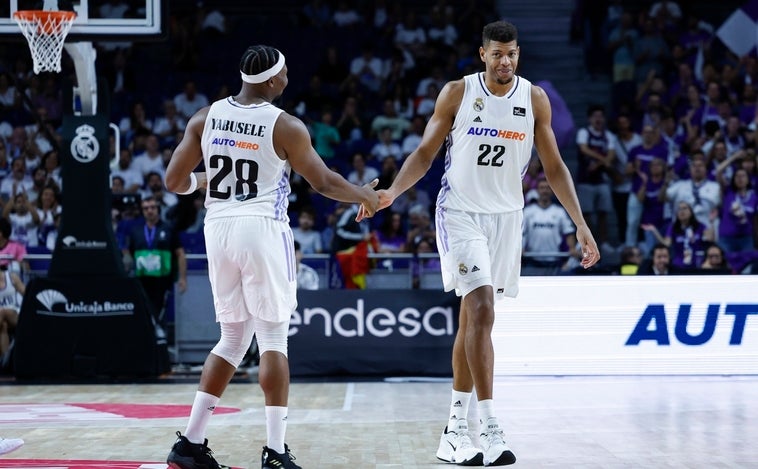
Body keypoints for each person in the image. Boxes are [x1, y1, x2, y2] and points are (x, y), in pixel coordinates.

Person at [357, 21, 600, 466]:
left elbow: (555, 167)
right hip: (460, 213)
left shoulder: (534, 99)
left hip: (507, 217)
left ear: (518, 55)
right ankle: (488, 427)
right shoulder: (458, 92)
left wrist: (580, 223)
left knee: (475, 319)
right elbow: (426, 152)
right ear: (482, 54)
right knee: (482, 306)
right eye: (497, 54)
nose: (505, 61)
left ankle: (453, 431)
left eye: (512, 54)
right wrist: (391, 192)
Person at [163, 44, 379, 469]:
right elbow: (322, 182)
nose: (287, 80)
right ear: (272, 80)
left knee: (232, 339)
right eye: (285, 74)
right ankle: (276, 452)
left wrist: (211, 180)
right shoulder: (285, 125)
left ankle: (189, 443)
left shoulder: (205, 117)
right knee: (274, 340)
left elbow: (175, 181)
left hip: (218, 228)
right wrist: (364, 194)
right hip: (261, 228)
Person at [122, 195, 187, 329]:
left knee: (159, 315)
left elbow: (180, 254)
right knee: (143, 314)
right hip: (141, 281)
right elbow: (128, 252)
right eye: (146, 208)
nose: (149, 211)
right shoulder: (136, 231)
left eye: (152, 207)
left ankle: (161, 345)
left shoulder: (168, 229)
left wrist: (183, 278)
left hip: (162, 282)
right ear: (142, 211)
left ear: (158, 209)